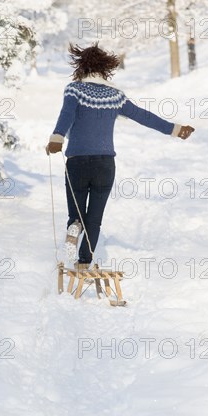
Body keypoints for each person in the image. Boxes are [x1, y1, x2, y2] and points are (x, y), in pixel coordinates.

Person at [46, 42, 195, 270]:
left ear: (81, 66)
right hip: (105, 164)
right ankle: (84, 262)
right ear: (106, 68)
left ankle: (74, 225)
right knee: (94, 219)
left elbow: (66, 115)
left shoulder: (74, 90)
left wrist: (57, 138)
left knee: (77, 211)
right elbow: (143, 116)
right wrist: (175, 129)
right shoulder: (115, 96)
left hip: (78, 161)